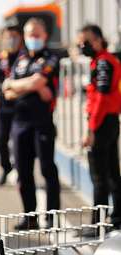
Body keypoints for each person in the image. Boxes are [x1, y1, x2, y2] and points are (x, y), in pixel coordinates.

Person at [3, 18, 60, 228]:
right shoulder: (20, 58)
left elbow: (38, 82)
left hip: (42, 121)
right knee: (23, 172)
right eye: (29, 34)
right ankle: (30, 217)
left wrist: (18, 85)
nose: (32, 38)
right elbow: (6, 91)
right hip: (20, 123)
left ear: (45, 35)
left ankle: (52, 217)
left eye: (37, 34)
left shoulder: (51, 56)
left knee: (47, 169)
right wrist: (31, 86)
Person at [78, 24, 121, 228]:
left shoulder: (104, 62)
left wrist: (92, 130)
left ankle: (97, 225)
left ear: (97, 40)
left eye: (85, 42)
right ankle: (117, 218)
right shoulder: (102, 61)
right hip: (109, 121)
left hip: (103, 123)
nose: (81, 46)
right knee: (112, 172)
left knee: (99, 176)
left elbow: (102, 98)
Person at [0, 25, 23, 186]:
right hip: (3, 106)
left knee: (19, 141)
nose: (11, 39)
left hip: (21, 106)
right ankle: (6, 168)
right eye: (8, 36)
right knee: (1, 139)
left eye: (14, 36)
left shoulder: (24, 58)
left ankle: (20, 169)